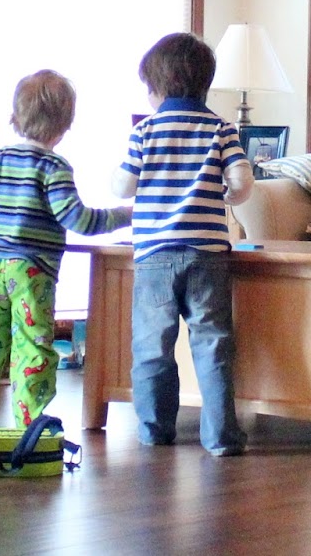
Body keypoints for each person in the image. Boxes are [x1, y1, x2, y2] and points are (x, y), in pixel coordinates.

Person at [0, 69, 131, 427]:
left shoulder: (1, 159)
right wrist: (124, 216)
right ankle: (30, 423)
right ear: (64, 126)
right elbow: (78, 219)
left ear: (16, 117)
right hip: (31, 270)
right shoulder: (54, 166)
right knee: (32, 344)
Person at [111, 31, 254, 455]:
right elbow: (242, 181)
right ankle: (221, 436)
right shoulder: (221, 129)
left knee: (152, 345)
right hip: (207, 254)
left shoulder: (145, 130)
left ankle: (155, 429)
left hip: (154, 255)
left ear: (157, 89)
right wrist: (229, 196)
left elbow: (123, 186)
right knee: (212, 343)